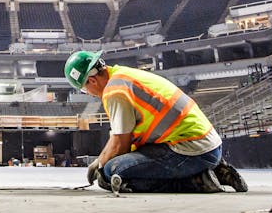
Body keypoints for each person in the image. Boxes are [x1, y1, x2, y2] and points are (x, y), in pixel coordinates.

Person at [64, 50, 247, 194]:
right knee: (114, 164)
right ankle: (216, 170)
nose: (88, 93)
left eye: (84, 89)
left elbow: (121, 144)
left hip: (189, 151)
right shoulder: (123, 76)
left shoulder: (114, 92)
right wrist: (99, 160)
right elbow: (122, 139)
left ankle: (198, 182)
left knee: (112, 171)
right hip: (207, 146)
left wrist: (101, 165)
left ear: (92, 80)